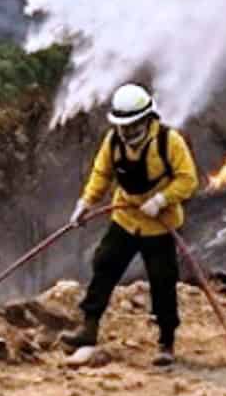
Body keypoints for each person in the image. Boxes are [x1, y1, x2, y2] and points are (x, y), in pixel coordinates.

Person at [62, 83, 199, 366]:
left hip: (160, 225)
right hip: (125, 220)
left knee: (162, 281)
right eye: (124, 127)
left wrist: (162, 200)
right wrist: (85, 204)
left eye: (134, 126)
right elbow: (102, 174)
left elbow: (188, 180)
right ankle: (88, 328)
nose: (128, 133)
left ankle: (165, 341)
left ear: (147, 119)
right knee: (104, 265)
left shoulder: (168, 141)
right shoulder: (113, 141)